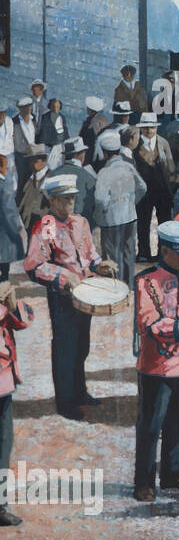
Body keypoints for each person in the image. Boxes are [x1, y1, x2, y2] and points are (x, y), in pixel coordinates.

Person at [24, 175, 116, 420]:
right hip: (62, 297)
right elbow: (34, 265)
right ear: (52, 200)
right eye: (65, 199)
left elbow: (90, 255)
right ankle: (65, 403)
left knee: (82, 346)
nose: (70, 203)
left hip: (85, 293)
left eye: (73, 198)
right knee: (65, 347)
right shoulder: (46, 225)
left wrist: (100, 265)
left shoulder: (80, 222)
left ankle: (80, 392)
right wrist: (64, 277)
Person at [133, 221, 179, 502]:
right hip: (158, 365)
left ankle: (172, 473)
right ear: (164, 250)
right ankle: (144, 482)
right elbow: (150, 325)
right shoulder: (146, 281)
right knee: (151, 426)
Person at [0, 278, 33, 526]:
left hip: (3, 379)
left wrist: (11, 304)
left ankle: (0, 506)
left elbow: (23, 321)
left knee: (3, 445)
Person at [93, 132, 146, 283]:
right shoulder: (129, 167)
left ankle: (115, 289)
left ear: (104, 153)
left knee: (112, 258)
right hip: (130, 217)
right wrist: (131, 202)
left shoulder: (104, 173)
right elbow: (142, 187)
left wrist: (99, 216)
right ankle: (129, 288)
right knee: (128, 255)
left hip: (111, 221)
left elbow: (100, 200)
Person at [134, 113, 173, 262]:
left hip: (162, 190)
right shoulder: (136, 144)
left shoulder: (163, 143)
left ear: (156, 127)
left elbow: (170, 166)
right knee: (143, 223)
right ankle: (144, 253)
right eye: (145, 127)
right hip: (144, 192)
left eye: (152, 127)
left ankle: (163, 254)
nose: (149, 130)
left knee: (164, 223)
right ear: (141, 128)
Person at [49, 138, 97, 223]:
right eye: (83, 152)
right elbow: (91, 205)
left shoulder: (53, 174)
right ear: (78, 154)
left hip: (57, 223)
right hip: (78, 224)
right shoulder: (88, 176)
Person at [17, 145, 49, 234]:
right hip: (26, 225)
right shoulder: (28, 178)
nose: (31, 164)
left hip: (42, 226)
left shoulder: (50, 178)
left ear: (44, 160)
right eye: (30, 161)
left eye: (34, 161)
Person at [0, 155, 22, 282]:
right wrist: (17, 228)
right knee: (4, 269)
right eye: (6, 166)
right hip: (4, 235)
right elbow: (9, 212)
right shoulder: (4, 187)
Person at [93, 102, 133, 167]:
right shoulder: (130, 132)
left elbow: (97, 156)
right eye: (125, 115)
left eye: (126, 115)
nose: (127, 118)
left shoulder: (103, 131)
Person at [12, 98, 41, 186]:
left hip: (33, 155)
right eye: (25, 107)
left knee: (32, 182)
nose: (28, 109)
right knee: (21, 181)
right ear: (20, 109)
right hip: (21, 157)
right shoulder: (15, 122)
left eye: (29, 107)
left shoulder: (33, 119)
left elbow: (36, 136)